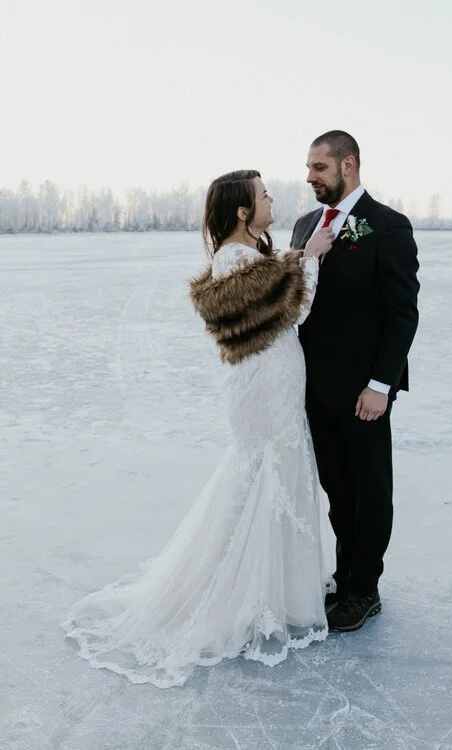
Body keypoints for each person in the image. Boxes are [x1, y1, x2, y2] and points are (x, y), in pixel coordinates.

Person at [62, 170, 336, 689]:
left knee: (275, 471)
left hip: (272, 378)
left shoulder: (246, 257)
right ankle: (247, 597)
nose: (272, 200)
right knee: (263, 474)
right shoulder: (234, 258)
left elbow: (273, 289)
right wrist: (313, 258)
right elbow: (292, 309)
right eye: (263, 196)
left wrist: (294, 261)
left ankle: (278, 589)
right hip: (262, 383)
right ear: (241, 211)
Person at [291, 131, 420, 632]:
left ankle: (364, 589)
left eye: (319, 168)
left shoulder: (388, 226)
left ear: (349, 165)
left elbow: (402, 314)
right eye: (308, 167)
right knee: (337, 490)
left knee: (369, 492)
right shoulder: (305, 225)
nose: (309, 177)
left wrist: (380, 385)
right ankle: (345, 578)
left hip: (363, 391)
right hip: (311, 386)